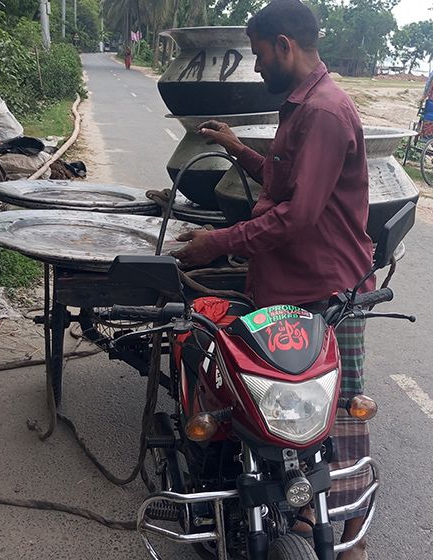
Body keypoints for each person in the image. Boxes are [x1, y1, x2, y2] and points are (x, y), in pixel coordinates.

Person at [171, 1, 374, 557]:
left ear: (285, 45)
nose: (256, 68)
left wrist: (217, 243)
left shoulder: (327, 113)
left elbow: (298, 216)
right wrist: (239, 149)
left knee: (334, 412)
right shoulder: (300, 108)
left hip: (324, 287)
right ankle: (291, 511)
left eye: (260, 56)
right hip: (285, 282)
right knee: (278, 409)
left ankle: (349, 536)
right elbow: (286, 183)